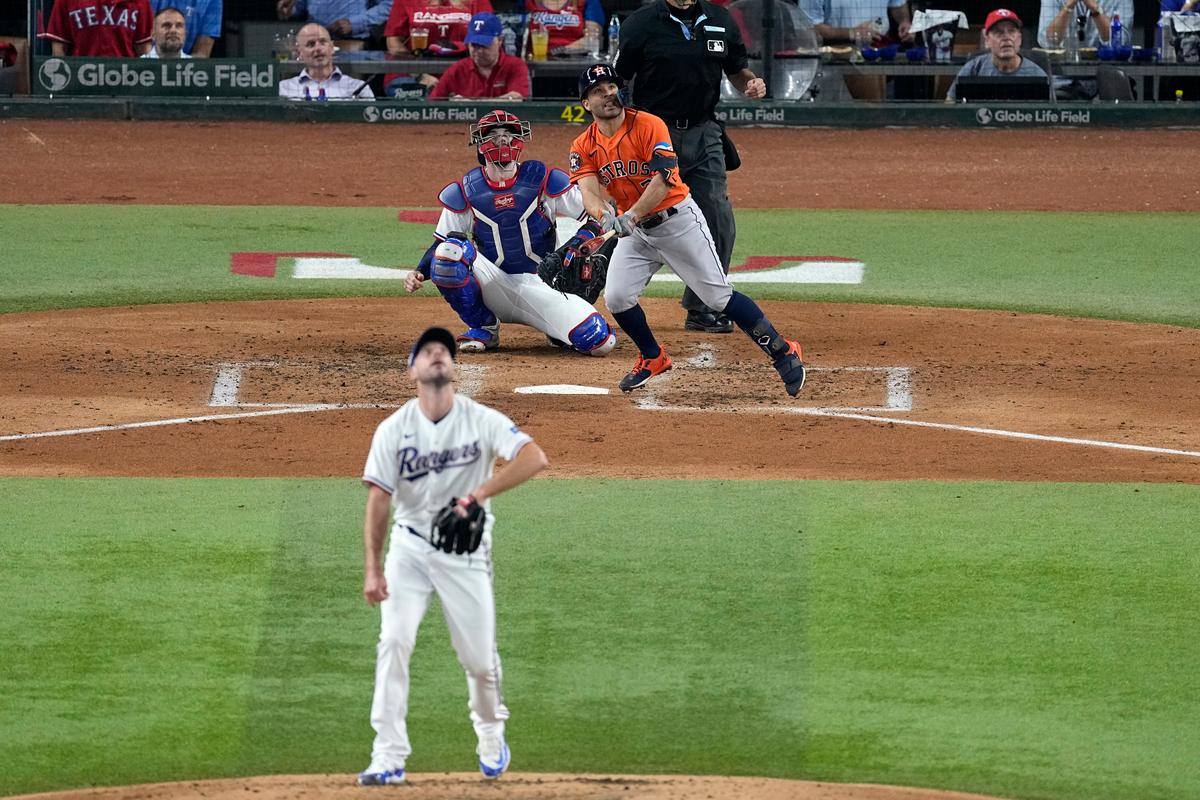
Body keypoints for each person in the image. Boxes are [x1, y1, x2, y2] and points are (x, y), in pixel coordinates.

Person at [358, 325, 549, 786]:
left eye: (443, 349)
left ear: (454, 367)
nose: (436, 353)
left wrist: (478, 494)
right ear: (412, 372)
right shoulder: (393, 430)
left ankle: (489, 732)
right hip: (408, 550)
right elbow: (379, 500)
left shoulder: (480, 419)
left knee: (480, 662)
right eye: (426, 351)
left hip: (466, 556)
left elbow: (534, 457)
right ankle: (387, 754)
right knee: (394, 643)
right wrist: (371, 568)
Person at [569, 63, 807, 396]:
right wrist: (604, 216)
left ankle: (784, 352)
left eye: (611, 86)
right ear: (586, 103)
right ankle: (653, 357)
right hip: (636, 233)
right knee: (618, 297)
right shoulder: (583, 145)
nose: (608, 93)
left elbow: (664, 179)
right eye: (598, 91)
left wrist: (632, 215)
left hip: (677, 222)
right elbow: (589, 191)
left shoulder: (648, 125)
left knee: (717, 297)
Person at [405, 110, 617, 356]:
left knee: (599, 342)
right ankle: (483, 326)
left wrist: (581, 241)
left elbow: (601, 214)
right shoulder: (465, 190)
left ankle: (554, 326)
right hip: (492, 284)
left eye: (508, 134)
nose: (502, 140)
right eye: (493, 135)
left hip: (542, 284)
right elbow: (440, 243)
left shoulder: (543, 179)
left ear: (519, 140)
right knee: (448, 251)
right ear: (481, 144)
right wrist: (419, 271)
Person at [613, 0, 768, 335]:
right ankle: (600, 294)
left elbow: (737, 70)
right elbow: (618, 80)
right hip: (652, 132)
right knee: (637, 213)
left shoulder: (720, 20)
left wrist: (750, 84)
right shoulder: (641, 23)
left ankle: (702, 308)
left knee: (718, 217)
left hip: (704, 131)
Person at [799, 0, 913, 99]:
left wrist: (904, 21)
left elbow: (898, 4)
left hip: (879, 50)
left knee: (880, 110)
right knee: (872, 112)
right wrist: (851, 33)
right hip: (835, 53)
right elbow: (807, 28)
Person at [382, 0, 493, 95]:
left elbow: (487, 42)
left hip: (462, 75)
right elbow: (394, 44)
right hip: (413, 76)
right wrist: (420, 75)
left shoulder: (477, 2)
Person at [946, 9, 1047, 101]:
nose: (1006, 37)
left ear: (1019, 39)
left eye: (1011, 31)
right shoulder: (974, 68)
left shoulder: (1036, 74)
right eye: (999, 32)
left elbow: (1050, 114)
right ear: (987, 40)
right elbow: (950, 104)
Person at [428, 12, 529, 100]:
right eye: (474, 45)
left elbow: (516, 98)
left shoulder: (515, 65)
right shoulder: (457, 70)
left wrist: (470, 105)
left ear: (500, 40)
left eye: (484, 45)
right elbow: (432, 104)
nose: (479, 51)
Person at [279, 22, 375, 99]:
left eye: (322, 42)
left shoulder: (358, 88)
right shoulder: (283, 89)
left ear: (332, 47)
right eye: (311, 44)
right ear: (299, 53)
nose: (318, 48)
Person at [42, 0, 154, 57]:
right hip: (81, 78)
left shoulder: (140, 1)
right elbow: (58, 50)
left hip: (126, 78)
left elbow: (144, 50)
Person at [277, 0, 393, 52]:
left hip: (351, 42)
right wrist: (290, 8)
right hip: (312, 42)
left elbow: (389, 6)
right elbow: (301, 7)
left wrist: (354, 24)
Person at [1037, 0, 1133, 49]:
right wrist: (1068, 7)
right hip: (1063, 78)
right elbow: (1046, 41)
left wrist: (1095, 10)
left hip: (1108, 75)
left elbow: (1121, 41)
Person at [521, 0, 604, 55]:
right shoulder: (526, 2)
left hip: (575, 60)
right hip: (533, 62)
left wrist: (561, 51)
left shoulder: (587, 1)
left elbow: (593, 38)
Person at [151, 0, 220, 56]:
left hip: (185, 67)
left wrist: (179, 70)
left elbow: (202, 53)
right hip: (148, 62)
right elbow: (143, 45)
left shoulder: (213, 1)